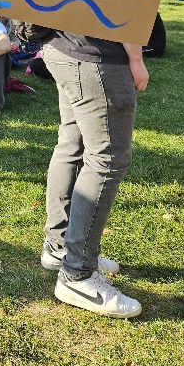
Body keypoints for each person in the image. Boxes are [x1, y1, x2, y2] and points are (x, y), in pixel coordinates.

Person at [40, 32, 148, 318]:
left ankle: (59, 245)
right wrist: (135, 58)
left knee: (72, 144)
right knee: (107, 159)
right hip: (94, 53)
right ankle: (77, 274)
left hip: (62, 45)